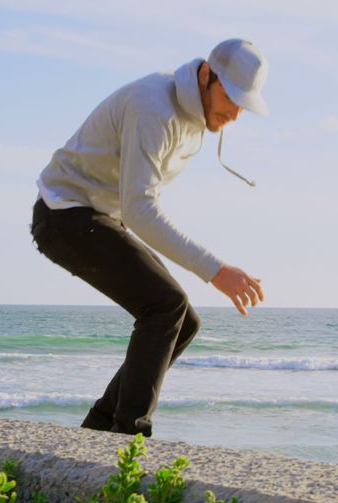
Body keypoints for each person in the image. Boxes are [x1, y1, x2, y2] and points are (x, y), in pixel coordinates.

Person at [30, 39, 268, 437]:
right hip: (63, 213)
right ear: (206, 75)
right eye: (230, 97)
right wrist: (216, 270)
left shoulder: (195, 118)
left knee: (184, 322)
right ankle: (130, 440)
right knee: (165, 306)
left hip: (99, 215)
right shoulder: (152, 106)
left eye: (243, 104)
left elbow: (137, 205)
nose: (234, 113)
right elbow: (140, 209)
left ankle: (97, 433)